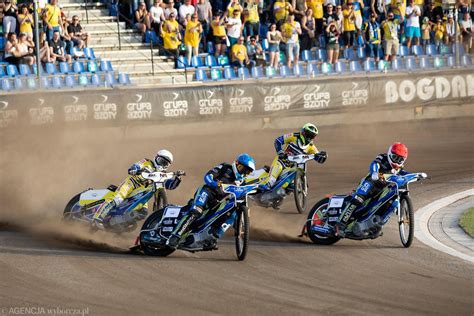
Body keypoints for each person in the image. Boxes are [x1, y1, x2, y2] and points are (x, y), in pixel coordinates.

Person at [166, 153, 256, 249]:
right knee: (196, 211)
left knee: (227, 212)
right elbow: (208, 176)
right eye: (243, 169)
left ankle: (211, 237)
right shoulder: (225, 167)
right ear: (237, 163)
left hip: (216, 202)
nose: (244, 173)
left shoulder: (242, 181)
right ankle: (174, 236)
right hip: (207, 192)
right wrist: (215, 184)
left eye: (247, 172)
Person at [335, 143, 409, 237]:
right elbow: (375, 164)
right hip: (370, 182)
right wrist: (374, 172)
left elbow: (405, 174)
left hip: (381, 189)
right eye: (395, 157)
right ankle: (340, 224)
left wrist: (417, 175)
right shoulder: (382, 157)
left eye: (400, 159)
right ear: (390, 154)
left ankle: (375, 226)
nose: (397, 161)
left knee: (388, 204)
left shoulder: (399, 168)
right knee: (358, 199)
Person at [93, 150, 182, 225]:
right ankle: (97, 218)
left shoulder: (162, 175)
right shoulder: (147, 162)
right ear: (156, 157)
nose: (162, 164)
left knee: (143, 212)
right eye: (161, 161)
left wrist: (177, 179)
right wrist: (135, 169)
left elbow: (170, 185)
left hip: (143, 191)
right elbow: (135, 166)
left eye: (165, 163)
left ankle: (115, 223)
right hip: (131, 183)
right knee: (117, 199)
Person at [260, 123, 327, 191]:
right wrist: (280, 152)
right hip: (283, 161)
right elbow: (278, 141)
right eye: (308, 134)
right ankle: (268, 183)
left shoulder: (311, 146)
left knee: (295, 173)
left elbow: (318, 158)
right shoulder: (293, 136)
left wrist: (322, 156)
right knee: (278, 168)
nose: (309, 137)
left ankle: (291, 185)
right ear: (303, 132)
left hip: (293, 167)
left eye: (312, 136)